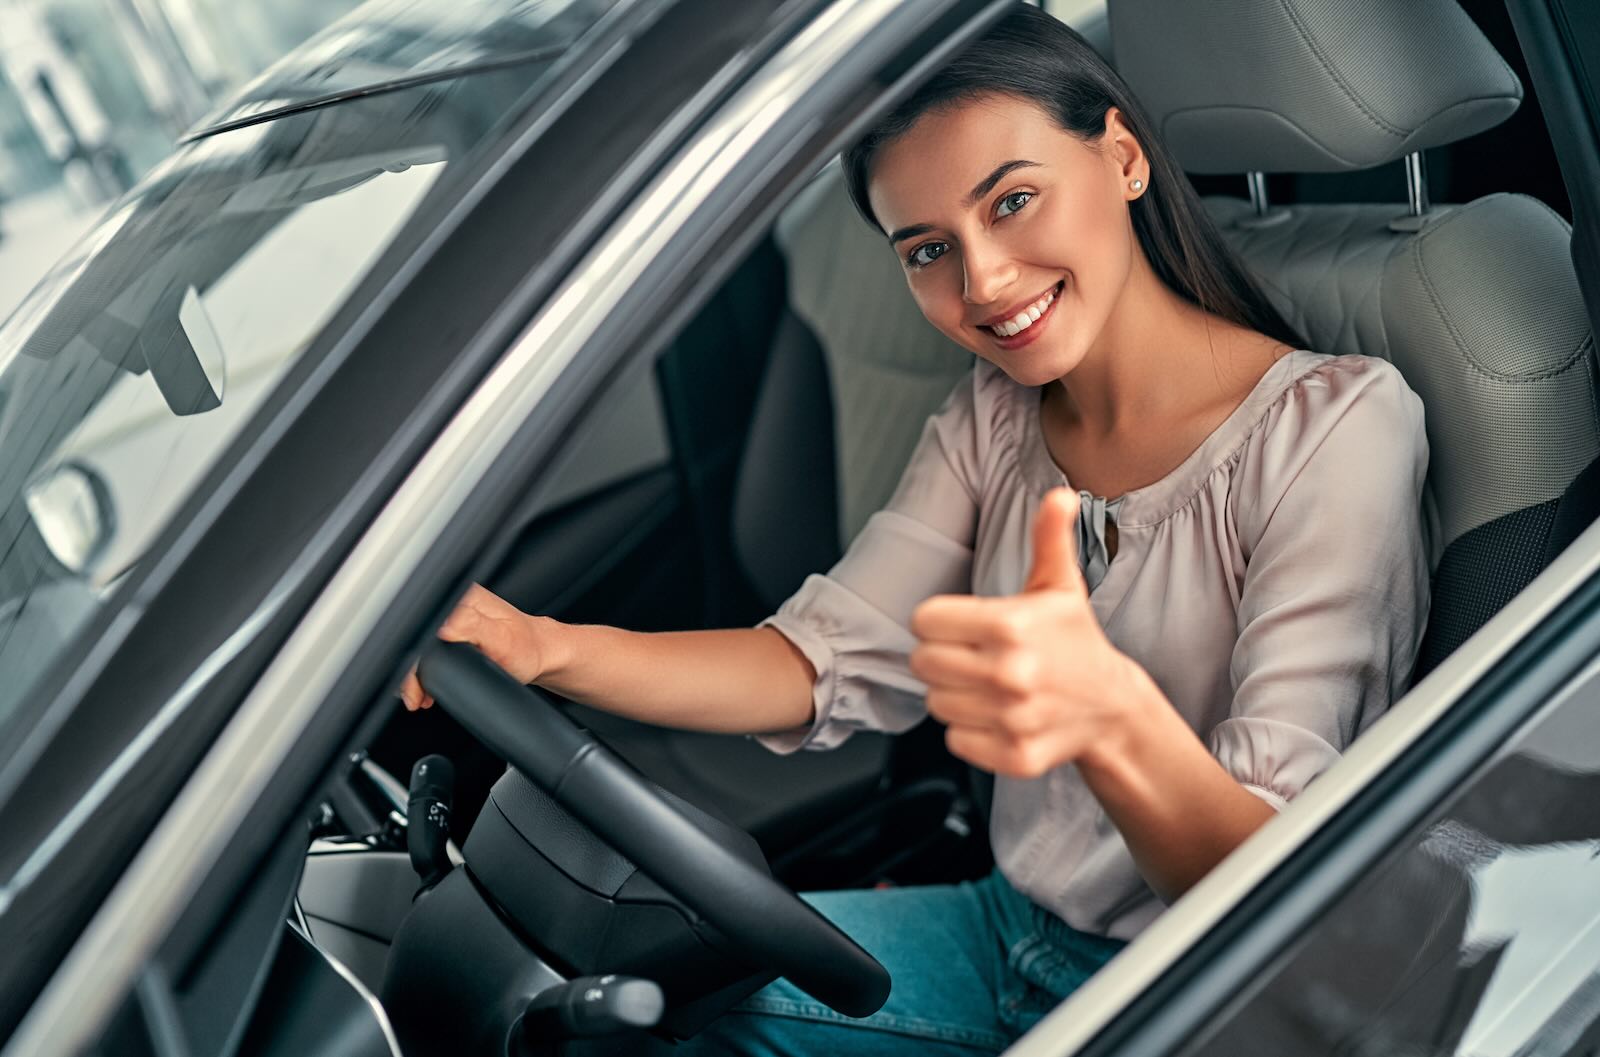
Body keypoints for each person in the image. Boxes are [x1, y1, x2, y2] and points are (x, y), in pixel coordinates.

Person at [397, 4, 1432, 1053]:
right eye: (928, 248)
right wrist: (546, 648)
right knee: (617, 1019)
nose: (981, 283)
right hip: (1000, 928)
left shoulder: (1334, 428)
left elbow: (1283, 893)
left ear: (1121, 157)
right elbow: (811, 662)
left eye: (1013, 201)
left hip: (1204, 991)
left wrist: (1108, 714)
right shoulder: (996, 417)